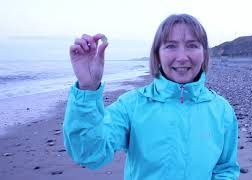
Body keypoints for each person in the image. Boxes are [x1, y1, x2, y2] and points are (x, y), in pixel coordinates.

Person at [63, 14, 240, 180]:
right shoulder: (131, 105)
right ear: (157, 54)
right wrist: (87, 89)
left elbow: (225, 169)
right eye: (170, 46)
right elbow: (90, 154)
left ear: (204, 54)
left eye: (192, 45)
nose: (182, 57)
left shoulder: (222, 110)